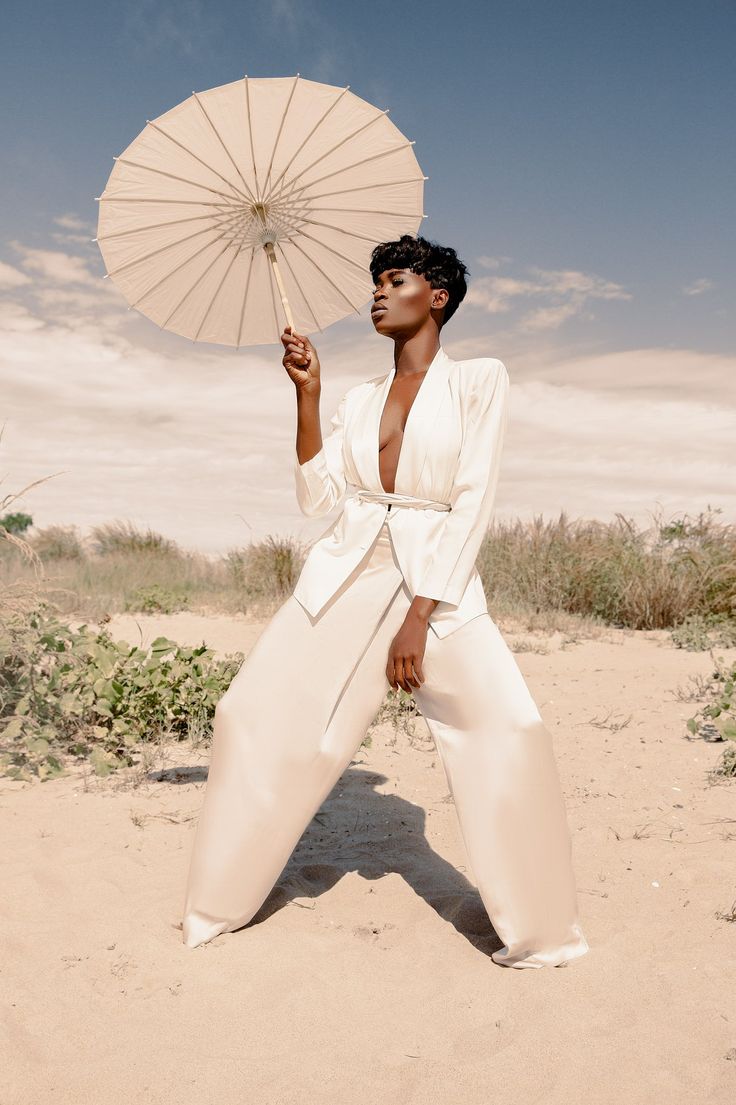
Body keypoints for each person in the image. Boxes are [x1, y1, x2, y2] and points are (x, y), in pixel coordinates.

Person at [181, 234, 589, 968]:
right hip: (352, 567)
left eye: (392, 279)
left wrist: (418, 616)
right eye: (374, 280)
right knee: (250, 711)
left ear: (436, 296)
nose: (376, 291)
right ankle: (216, 907)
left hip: (437, 580)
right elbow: (319, 498)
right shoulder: (362, 399)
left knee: (510, 730)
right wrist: (307, 395)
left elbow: (472, 501)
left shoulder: (480, 381)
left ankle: (542, 934)